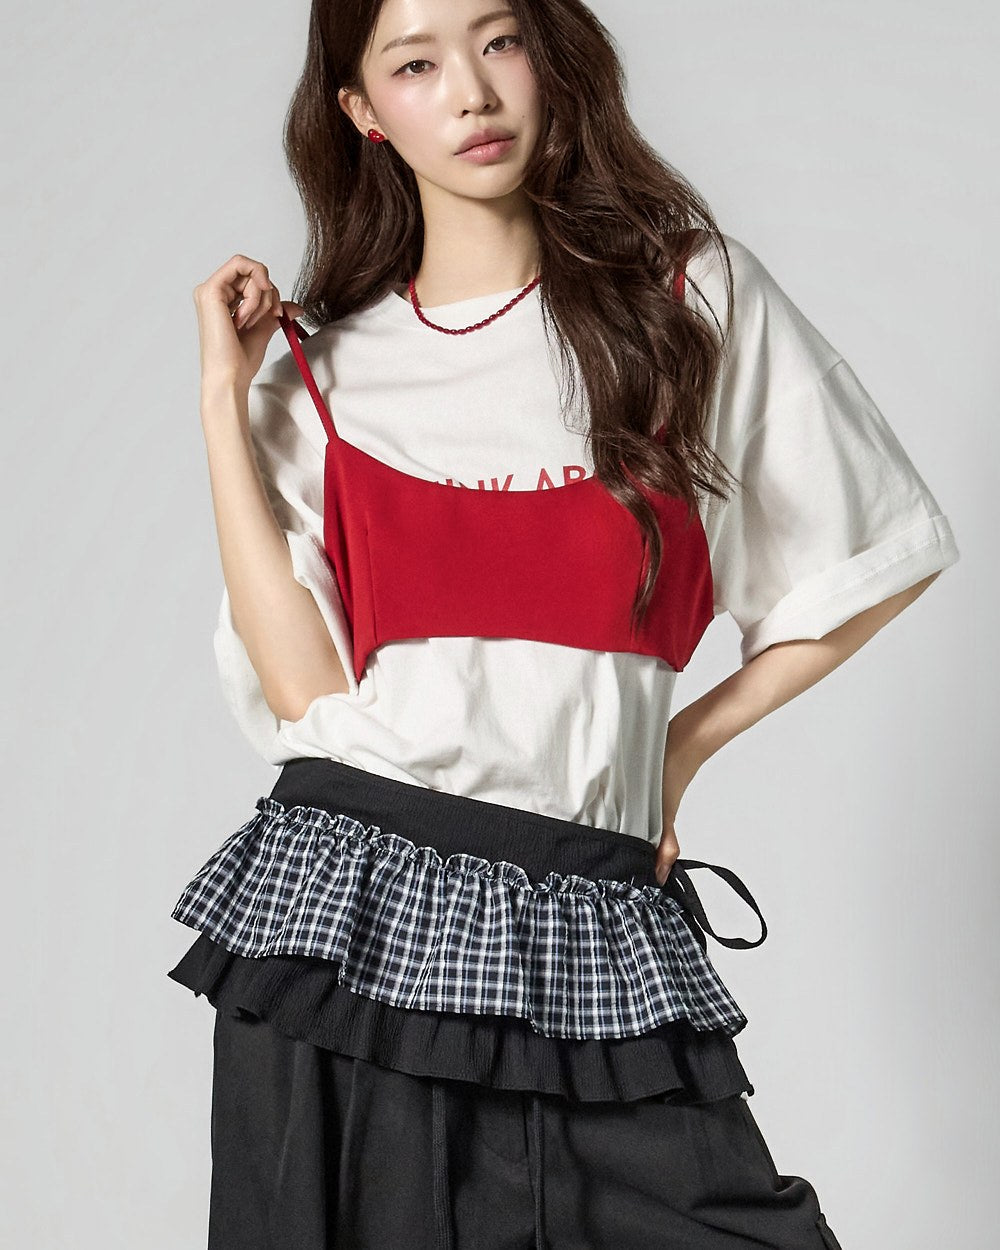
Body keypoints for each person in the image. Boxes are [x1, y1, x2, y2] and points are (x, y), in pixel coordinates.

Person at [168, 0, 960, 1246]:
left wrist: (678, 749)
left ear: (549, 53)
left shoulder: (688, 299)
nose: (471, 92)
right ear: (364, 112)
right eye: (416, 64)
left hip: (592, 921)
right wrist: (226, 397)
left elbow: (873, 556)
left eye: (498, 41)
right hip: (352, 920)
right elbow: (304, 689)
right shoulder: (324, 377)